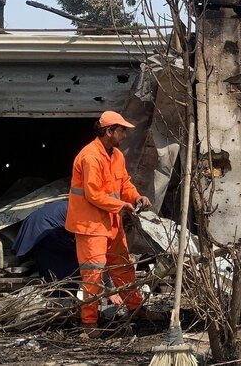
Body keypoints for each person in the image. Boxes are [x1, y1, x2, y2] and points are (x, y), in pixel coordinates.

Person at [65, 111, 155, 336]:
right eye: (122, 130)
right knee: (93, 275)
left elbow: (124, 183)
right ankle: (89, 324)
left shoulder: (116, 156)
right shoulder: (90, 156)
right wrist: (122, 205)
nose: (125, 134)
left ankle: (136, 310)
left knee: (124, 267)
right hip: (90, 225)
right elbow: (93, 195)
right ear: (108, 131)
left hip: (110, 222)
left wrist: (136, 197)